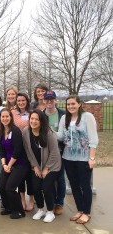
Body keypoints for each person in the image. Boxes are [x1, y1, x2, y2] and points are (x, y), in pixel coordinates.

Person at [57, 95, 98, 224]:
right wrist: (47, 131)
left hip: (84, 157)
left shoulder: (88, 117)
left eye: (73, 104)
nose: (70, 106)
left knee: (85, 185)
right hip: (68, 157)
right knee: (74, 185)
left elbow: (93, 139)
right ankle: (80, 210)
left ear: (79, 104)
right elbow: (60, 136)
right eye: (68, 104)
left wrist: (91, 157)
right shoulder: (64, 118)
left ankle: (86, 212)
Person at [23, 109, 61, 223]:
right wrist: (34, 166)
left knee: (46, 187)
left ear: (42, 121)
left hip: (52, 166)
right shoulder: (26, 132)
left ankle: (50, 211)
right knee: (36, 187)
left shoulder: (49, 133)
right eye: (32, 118)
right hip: (36, 166)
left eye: (36, 119)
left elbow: (54, 152)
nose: (33, 121)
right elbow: (28, 151)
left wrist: (46, 168)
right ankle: (40, 210)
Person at [0, 108, 29, 219]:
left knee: (10, 188)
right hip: (7, 164)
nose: (5, 119)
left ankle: (19, 211)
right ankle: (8, 208)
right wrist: (4, 165)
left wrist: (9, 165)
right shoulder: (0, 132)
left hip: (19, 164)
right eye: (2, 117)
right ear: (0, 118)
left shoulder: (15, 131)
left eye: (7, 116)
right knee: (1, 186)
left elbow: (17, 151)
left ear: (11, 117)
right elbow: (2, 151)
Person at [43, 90, 66, 215]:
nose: (49, 101)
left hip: (61, 151)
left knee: (60, 178)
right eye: (47, 99)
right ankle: (51, 202)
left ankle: (59, 203)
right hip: (47, 153)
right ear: (44, 101)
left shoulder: (63, 114)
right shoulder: (41, 115)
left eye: (52, 99)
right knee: (49, 178)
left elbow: (66, 134)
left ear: (55, 100)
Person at [12, 92, 35, 211]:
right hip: (17, 149)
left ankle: (31, 199)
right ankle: (22, 198)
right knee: (20, 175)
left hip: (30, 148)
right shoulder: (12, 113)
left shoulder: (31, 113)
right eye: (19, 100)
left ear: (27, 101)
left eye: (23, 100)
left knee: (30, 175)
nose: (21, 103)